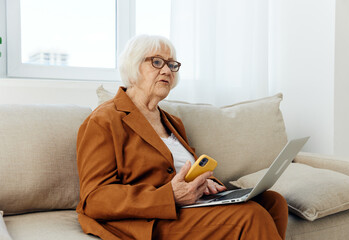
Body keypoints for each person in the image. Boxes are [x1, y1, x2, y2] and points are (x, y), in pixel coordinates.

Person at [76, 34, 288, 240]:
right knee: (250, 216)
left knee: (272, 202)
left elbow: (181, 169)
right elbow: (95, 199)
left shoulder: (172, 122)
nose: (167, 70)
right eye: (157, 62)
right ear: (133, 68)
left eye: (171, 65)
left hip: (186, 207)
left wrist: (206, 182)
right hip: (148, 220)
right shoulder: (104, 120)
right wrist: (169, 196)